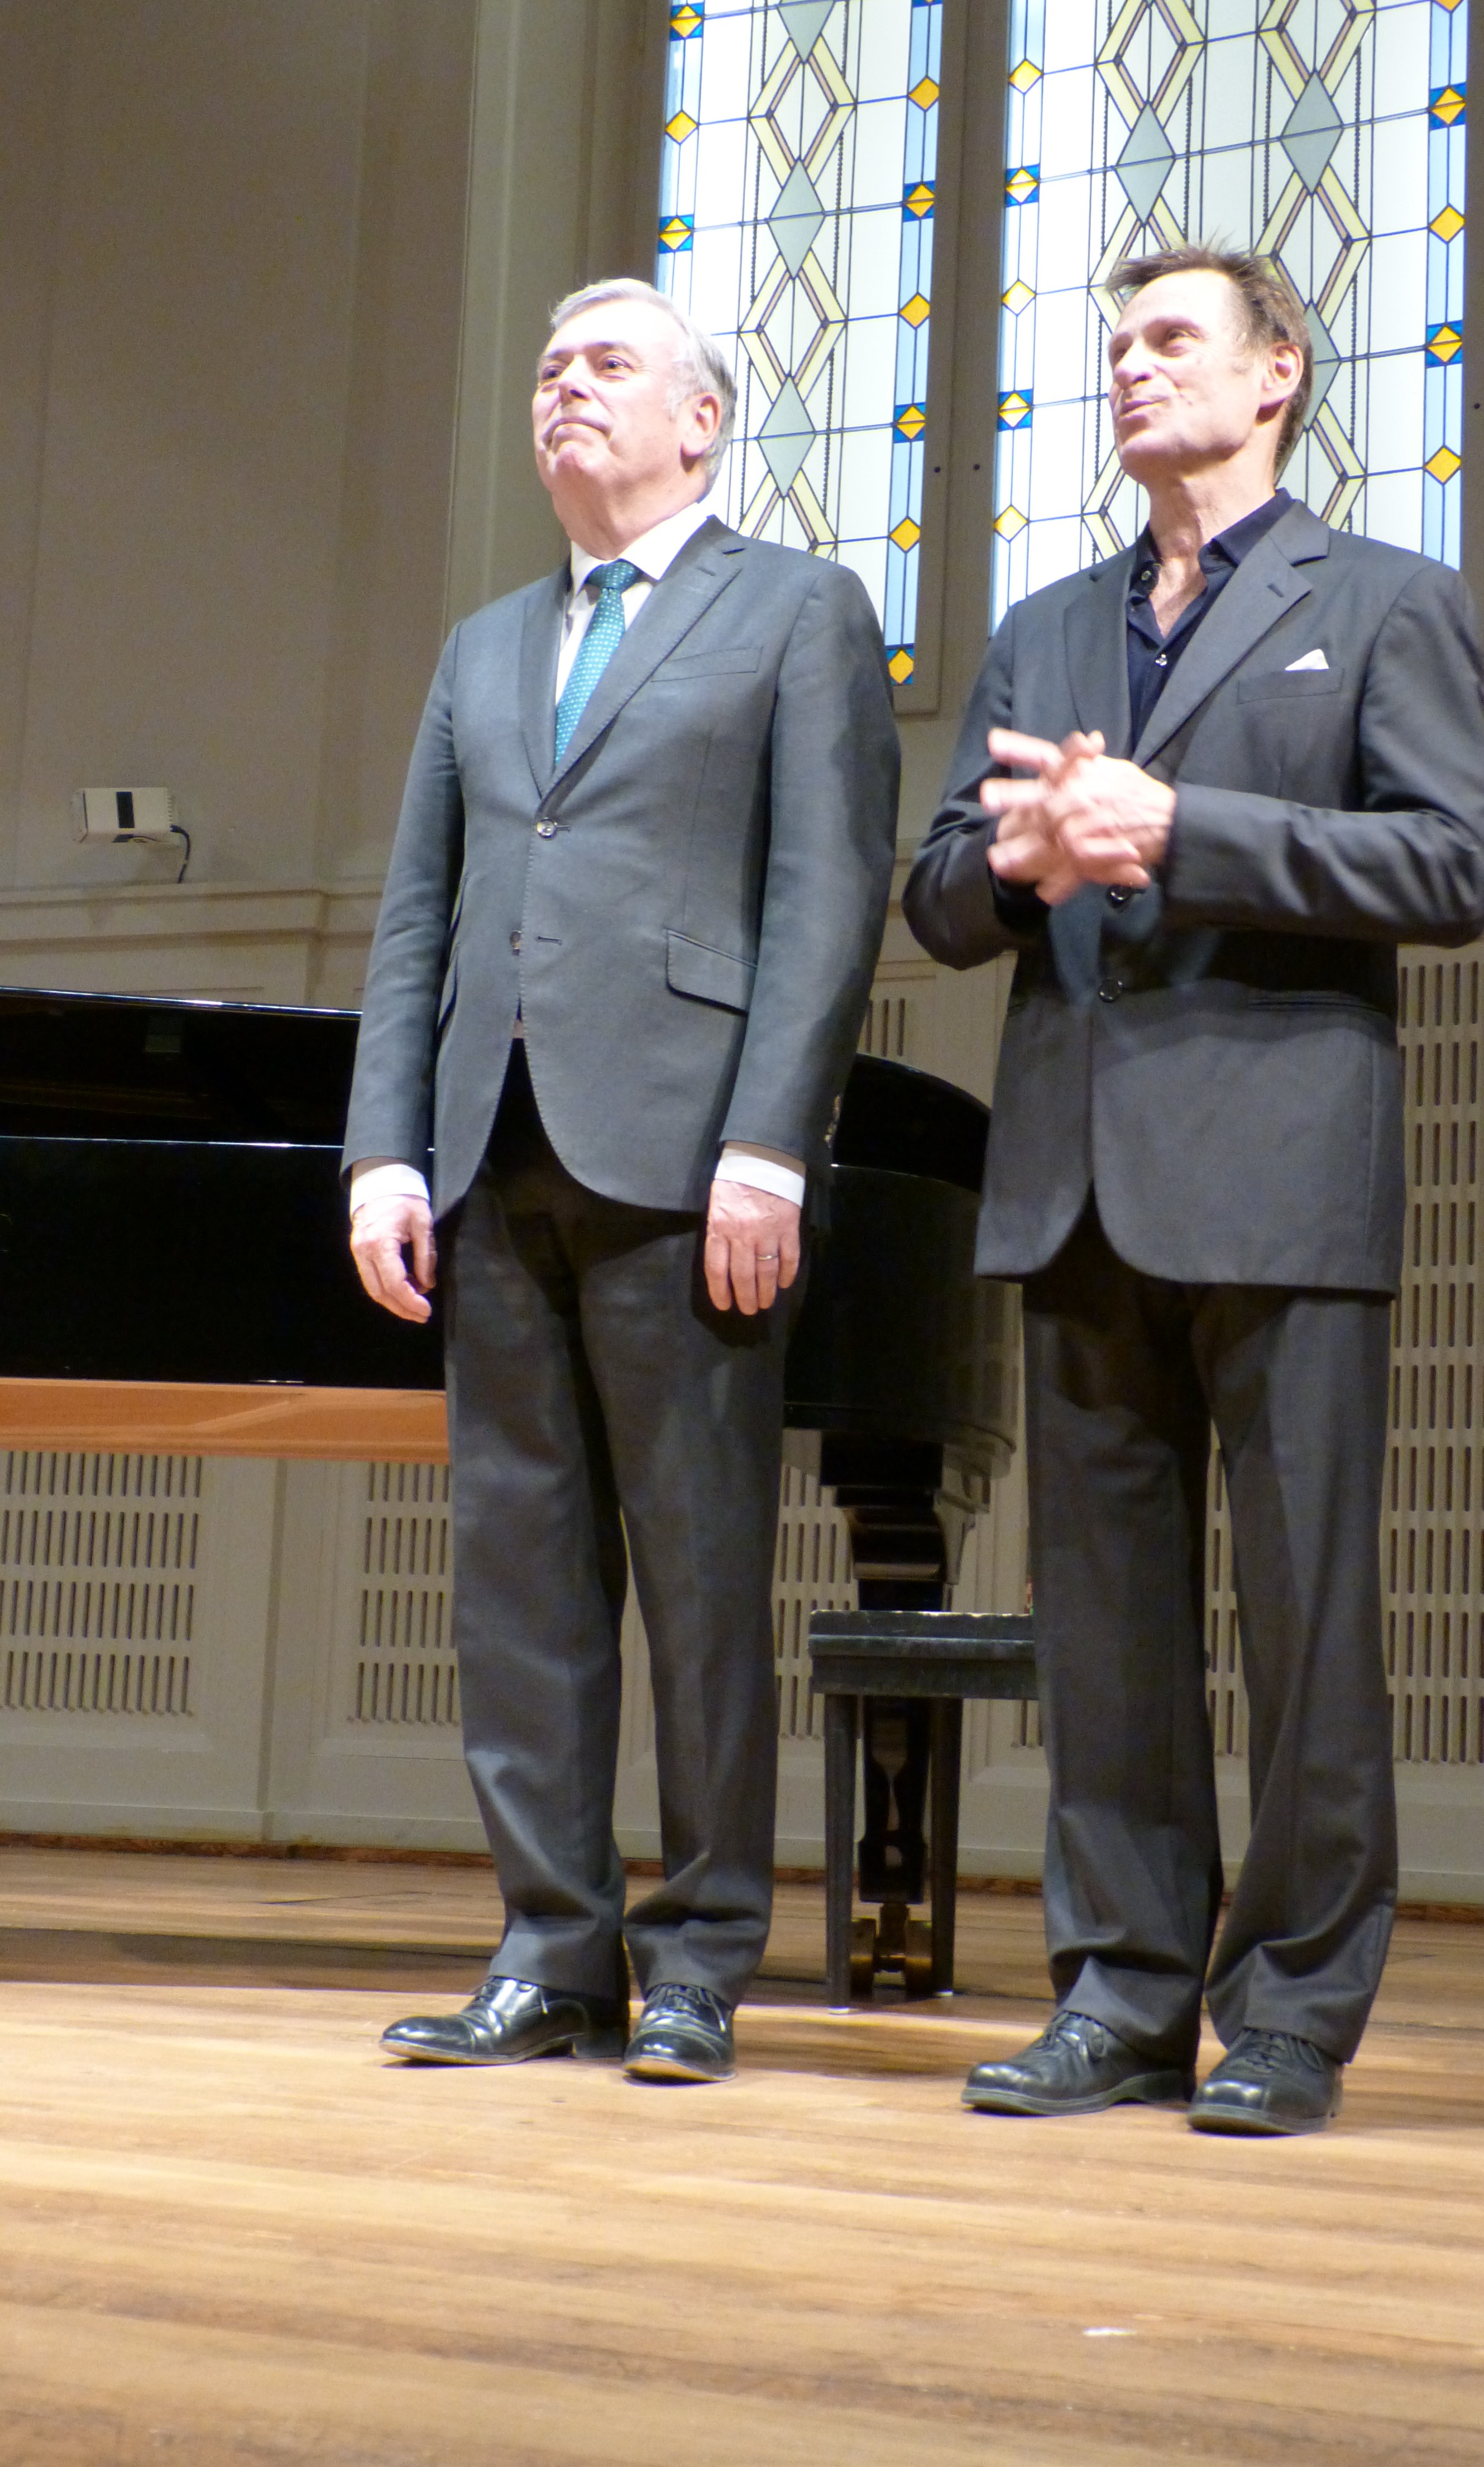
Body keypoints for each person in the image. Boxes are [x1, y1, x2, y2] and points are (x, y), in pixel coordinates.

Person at [902, 245, 1484, 2135]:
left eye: (1173, 337)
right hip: (1075, 1177)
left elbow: (1450, 866)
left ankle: (1297, 2010)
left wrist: (1184, 829)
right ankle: (1125, 1993)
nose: (1132, 367)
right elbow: (935, 895)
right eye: (1117, 345)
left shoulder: (1382, 601)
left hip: (1285, 1174)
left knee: (1307, 1618)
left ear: (1276, 373)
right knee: (1105, 1629)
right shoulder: (1046, 627)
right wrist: (1017, 862)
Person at [343, 279, 898, 2082]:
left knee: (703, 1573)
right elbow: (417, 919)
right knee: (518, 1577)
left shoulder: (799, 609)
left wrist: (772, 1139)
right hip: (492, 1152)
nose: (563, 390)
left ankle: (703, 1957)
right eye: (547, 370)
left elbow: (827, 895)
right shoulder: (484, 646)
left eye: (605, 365)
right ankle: (551, 1949)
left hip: (686, 1155)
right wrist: (383, 1152)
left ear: (702, 421)